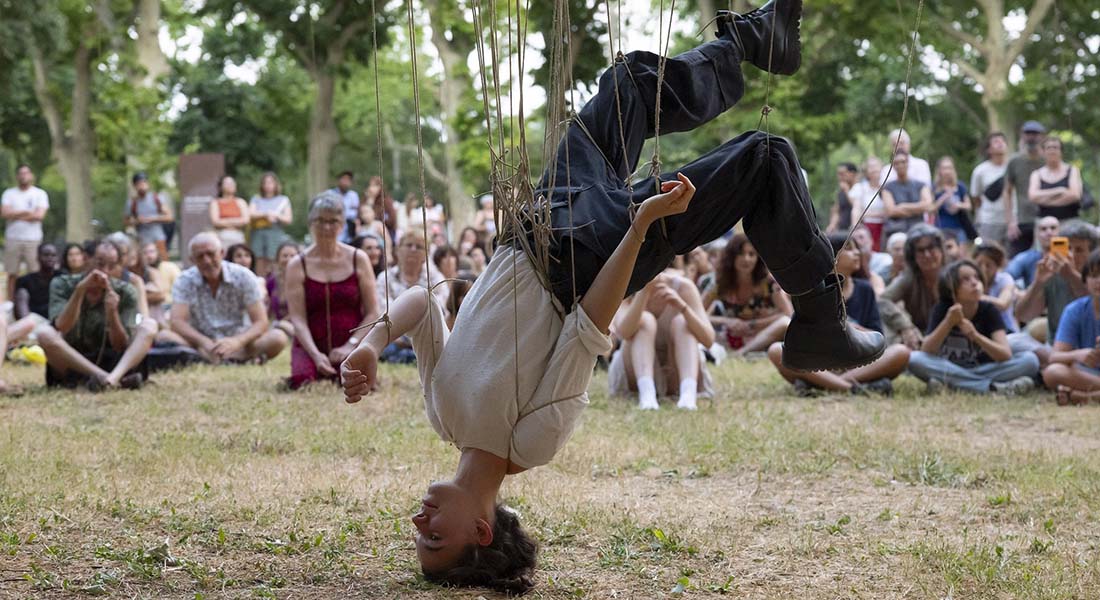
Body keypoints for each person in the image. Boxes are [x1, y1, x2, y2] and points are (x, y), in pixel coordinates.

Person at [339, 4, 883, 592]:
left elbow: (422, 303)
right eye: (434, 535)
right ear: (481, 530)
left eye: (418, 532)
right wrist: (641, 226)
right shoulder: (531, 443)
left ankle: (755, 41)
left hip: (537, 219)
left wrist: (372, 341)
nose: (419, 520)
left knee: (628, 86)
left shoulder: (443, 415)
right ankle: (822, 319)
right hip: (592, 254)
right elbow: (589, 327)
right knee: (763, 158)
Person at [768, 233, 910, 395]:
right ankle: (852, 389)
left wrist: (850, 327)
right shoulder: (813, 290)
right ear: (831, 256)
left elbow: (877, 336)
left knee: (901, 352)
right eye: (849, 249)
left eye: (857, 249)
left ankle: (821, 385)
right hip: (820, 362)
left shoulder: (865, 289)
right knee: (776, 351)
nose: (857, 253)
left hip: (858, 362)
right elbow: (804, 333)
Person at [285, 194, 379, 389]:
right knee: (303, 381)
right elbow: (298, 319)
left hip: (351, 344)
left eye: (333, 221)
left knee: (356, 381)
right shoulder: (297, 264)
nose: (327, 227)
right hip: (310, 345)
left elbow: (373, 313)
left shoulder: (358, 258)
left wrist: (350, 345)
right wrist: (315, 355)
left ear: (342, 224)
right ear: (311, 223)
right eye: (320, 221)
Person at [35, 241, 156, 390]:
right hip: (72, 362)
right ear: (86, 259)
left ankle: (112, 379)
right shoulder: (62, 284)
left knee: (149, 326)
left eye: (111, 266)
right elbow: (62, 326)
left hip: (113, 360)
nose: (104, 272)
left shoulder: (125, 291)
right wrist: (79, 292)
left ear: (119, 268)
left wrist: (112, 314)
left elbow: (121, 345)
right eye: (99, 264)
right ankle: (108, 379)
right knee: (44, 333)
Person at [907, 259, 1038, 394]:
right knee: (915, 359)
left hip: (985, 368)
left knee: (1030, 360)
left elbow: (1004, 354)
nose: (975, 283)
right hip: (950, 368)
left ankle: (953, 386)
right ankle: (992, 388)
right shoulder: (942, 308)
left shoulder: (989, 310)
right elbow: (926, 350)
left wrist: (976, 336)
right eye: (966, 279)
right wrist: (948, 322)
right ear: (952, 288)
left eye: (976, 277)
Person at [169, 232, 288, 364]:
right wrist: (204, 342)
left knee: (278, 338)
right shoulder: (184, 280)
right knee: (164, 337)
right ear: (192, 260)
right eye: (200, 257)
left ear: (222, 253)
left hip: (240, 341)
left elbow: (261, 322)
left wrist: (237, 341)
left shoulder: (243, 276)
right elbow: (177, 322)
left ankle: (214, 358)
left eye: (210, 254)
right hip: (201, 341)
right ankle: (236, 359)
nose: (207, 261)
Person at [610, 270, 715, 410]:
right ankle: (647, 395)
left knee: (681, 322)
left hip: (676, 367)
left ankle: (687, 395)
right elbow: (623, 333)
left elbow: (708, 340)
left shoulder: (684, 287)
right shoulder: (625, 287)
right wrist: (644, 293)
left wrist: (683, 307)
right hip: (635, 367)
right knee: (646, 320)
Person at [1013, 220, 1095, 353]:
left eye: (1079, 250)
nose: (1072, 255)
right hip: (1056, 347)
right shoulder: (1052, 276)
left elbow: (1091, 304)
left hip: (1090, 347)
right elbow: (1024, 316)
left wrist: (1071, 275)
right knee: (1014, 341)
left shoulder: (1095, 276)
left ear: (1091, 253)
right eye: (1068, 248)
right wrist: (1038, 283)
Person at [705, 234, 792, 356]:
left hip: (765, 335)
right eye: (741, 253)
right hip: (730, 336)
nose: (746, 259)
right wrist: (726, 321)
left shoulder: (768, 282)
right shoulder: (720, 282)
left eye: (751, 254)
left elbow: (788, 315)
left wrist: (752, 325)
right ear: (731, 256)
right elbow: (698, 313)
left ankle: (741, 354)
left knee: (784, 323)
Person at [1042, 250, 1100, 405]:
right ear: (1085, 280)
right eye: (1094, 276)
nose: (1098, 281)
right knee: (1053, 372)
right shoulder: (1075, 310)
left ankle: (1085, 397)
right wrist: (1079, 355)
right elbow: (1055, 357)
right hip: (1089, 374)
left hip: (1088, 380)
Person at [881, 224, 944, 344]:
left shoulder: (953, 275)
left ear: (941, 249)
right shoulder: (908, 278)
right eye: (920, 250)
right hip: (919, 338)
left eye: (931, 248)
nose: (927, 255)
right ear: (913, 256)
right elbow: (883, 300)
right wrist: (905, 326)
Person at [2, 164, 49, 301]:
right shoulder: (9, 193)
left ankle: (34, 301)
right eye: (21, 173)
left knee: (34, 272)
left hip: (33, 239)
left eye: (26, 173)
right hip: (13, 238)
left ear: (31, 175)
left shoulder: (39, 194)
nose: (24, 176)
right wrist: (27, 212)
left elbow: (39, 216)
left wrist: (15, 214)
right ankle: (10, 302)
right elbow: (5, 213)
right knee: (12, 273)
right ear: (17, 176)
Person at [1003, 120, 1047, 256]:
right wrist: (1010, 222)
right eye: (1028, 133)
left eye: (1035, 133)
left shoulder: (1048, 159)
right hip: (1022, 220)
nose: (1031, 137)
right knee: (1017, 259)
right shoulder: (1014, 161)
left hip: (1046, 218)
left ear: (1042, 136)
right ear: (1022, 136)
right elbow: (1007, 192)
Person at [376, 228, 449, 309]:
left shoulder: (435, 279)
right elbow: (383, 310)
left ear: (426, 254)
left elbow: (440, 307)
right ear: (398, 250)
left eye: (419, 247)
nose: (413, 249)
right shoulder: (385, 278)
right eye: (409, 245)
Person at [249, 172, 293, 277]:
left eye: (271, 182)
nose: (268, 185)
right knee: (259, 257)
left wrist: (276, 215)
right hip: (258, 231)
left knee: (273, 257)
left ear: (276, 184)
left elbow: (288, 219)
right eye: (265, 183)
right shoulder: (256, 199)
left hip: (275, 231)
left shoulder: (283, 200)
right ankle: (260, 282)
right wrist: (265, 214)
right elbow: (250, 214)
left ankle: (273, 283)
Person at [881, 151, 933, 240]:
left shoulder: (920, 185)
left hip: (919, 230)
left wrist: (902, 206)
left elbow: (928, 206)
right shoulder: (887, 188)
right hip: (896, 231)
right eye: (896, 163)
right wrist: (918, 208)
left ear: (908, 163)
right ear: (892, 165)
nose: (900, 165)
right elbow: (891, 211)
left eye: (903, 162)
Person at [1028, 137, 1082, 221]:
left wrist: (1045, 200)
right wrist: (1060, 190)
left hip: (1070, 222)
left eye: (1055, 147)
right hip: (1044, 225)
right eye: (1048, 148)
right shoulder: (1036, 174)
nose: (1052, 151)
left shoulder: (1072, 170)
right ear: (1043, 152)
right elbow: (1033, 196)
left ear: (1061, 151)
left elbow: (1075, 195)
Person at [123, 172, 174, 262]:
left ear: (148, 184)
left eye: (144, 183)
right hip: (142, 238)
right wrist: (137, 221)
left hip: (158, 237)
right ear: (135, 186)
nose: (142, 186)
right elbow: (126, 222)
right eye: (139, 184)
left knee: (163, 262)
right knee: (144, 262)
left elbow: (169, 217)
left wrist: (153, 219)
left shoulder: (157, 199)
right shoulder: (132, 203)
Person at [970, 132, 1009, 245]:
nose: (1000, 144)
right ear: (989, 149)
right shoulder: (980, 171)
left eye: (1002, 141)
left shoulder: (1013, 166)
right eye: (996, 142)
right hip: (989, 220)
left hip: (1011, 220)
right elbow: (975, 197)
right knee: (989, 253)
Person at [972, 242, 1018, 333]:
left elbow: (1003, 304)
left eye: (988, 265)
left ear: (997, 266)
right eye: (979, 264)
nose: (983, 269)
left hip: (1007, 331)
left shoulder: (1005, 279)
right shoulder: (972, 280)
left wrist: (975, 297)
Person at [1006, 215, 1058, 289]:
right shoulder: (1026, 257)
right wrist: (1015, 292)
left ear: (1060, 232)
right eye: (1043, 229)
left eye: (1053, 228)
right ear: (1036, 235)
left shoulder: (1071, 256)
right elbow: (1006, 277)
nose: (1049, 233)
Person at [13, 243, 59, 320]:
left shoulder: (63, 278)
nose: (50, 258)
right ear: (38, 257)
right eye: (46, 255)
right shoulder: (25, 280)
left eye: (53, 255)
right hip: (32, 319)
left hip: (56, 321)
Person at [849, 156, 886, 250]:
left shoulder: (887, 187)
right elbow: (856, 209)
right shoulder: (859, 188)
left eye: (876, 166)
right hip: (867, 228)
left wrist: (866, 214)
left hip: (884, 228)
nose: (874, 168)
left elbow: (890, 211)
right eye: (870, 166)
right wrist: (855, 228)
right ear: (866, 172)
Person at [932, 156, 971, 244]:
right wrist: (944, 197)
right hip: (941, 227)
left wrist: (958, 205)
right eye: (944, 168)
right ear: (939, 170)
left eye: (949, 168)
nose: (947, 171)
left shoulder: (960, 186)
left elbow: (968, 206)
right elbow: (931, 209)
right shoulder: (934, 187)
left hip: (959, 227)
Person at [266, 241, 300, 337]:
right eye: (285, 256)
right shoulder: (271, 280)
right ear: (278, 259)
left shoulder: (305, 281)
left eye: (292, 256)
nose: (288, 259)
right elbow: (267, 307)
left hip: (299, 325)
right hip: (279, 325)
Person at [209, 175, 250, 247]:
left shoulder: (240, 202)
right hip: (221, 236)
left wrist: (224, 221)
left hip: (238, 236)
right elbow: (215, 221)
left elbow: (245, 220)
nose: (231, 185)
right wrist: (236, 221)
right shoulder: (215, 203)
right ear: (221, 187)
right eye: (228, 183)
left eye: (232, 183)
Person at [363, 175, 398, 241]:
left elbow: (392, 221)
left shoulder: (386, 202)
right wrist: (370, 202)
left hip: (384, 234)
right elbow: (361, 217)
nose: (371, 188)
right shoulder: (365, 200)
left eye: (375, 186)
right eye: (370, 185)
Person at [825, 162, 857, 234]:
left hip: (856, 231)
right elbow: (837, 211)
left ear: (852, 174)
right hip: (842, 230)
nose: (839, 177)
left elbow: (857, 206)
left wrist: (847, 192)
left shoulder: (860, 188)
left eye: (842, 174)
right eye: (838, 174)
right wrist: (832, 225)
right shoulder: (840, 192)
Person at [331, 171, 359, 243]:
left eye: (348, 180)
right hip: (335, 232)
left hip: (350, 235)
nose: (346, 182)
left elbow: (356, 213)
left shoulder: (353, 195)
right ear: (338, 180)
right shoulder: (330, 194)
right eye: (344, 179)